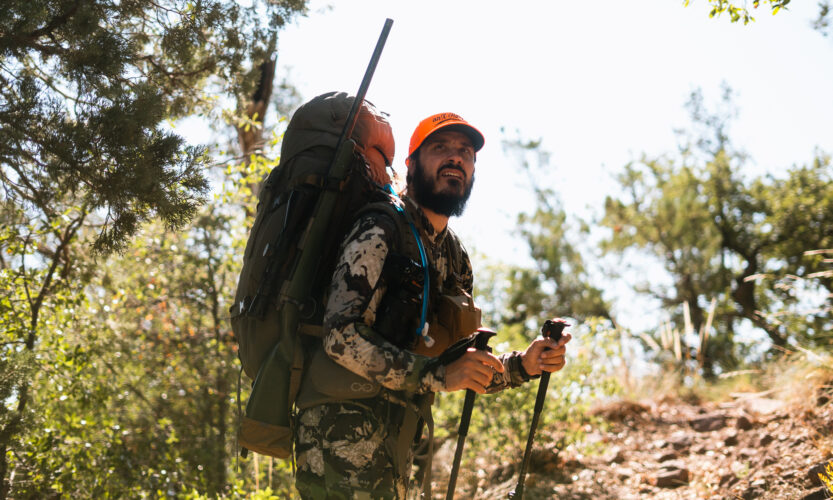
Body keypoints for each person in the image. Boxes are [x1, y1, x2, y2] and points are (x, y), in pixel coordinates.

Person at [294, 112, 572, 499]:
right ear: (411, 165)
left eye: (465, 153)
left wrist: (525, 364)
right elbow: (340, 337)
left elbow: (460, 367)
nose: (455, 158)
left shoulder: (455, 256)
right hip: (341, 428)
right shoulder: (380, 227)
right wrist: (437, 376)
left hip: (399, 435)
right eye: (440, 148)